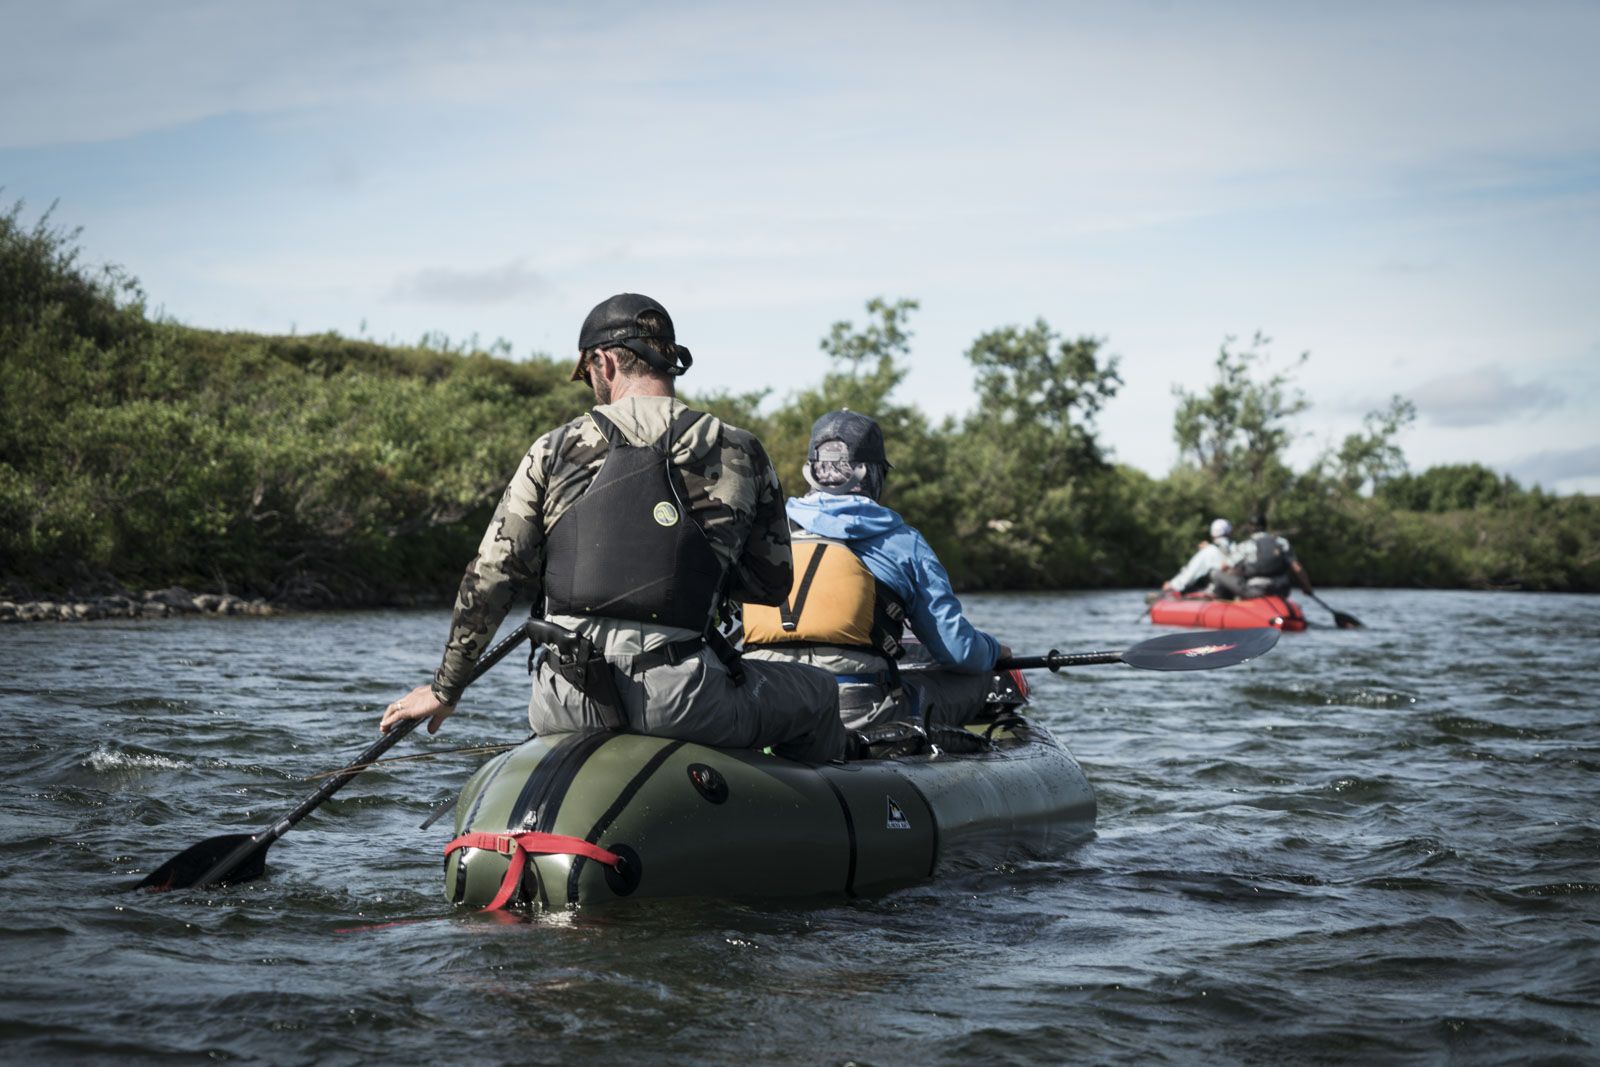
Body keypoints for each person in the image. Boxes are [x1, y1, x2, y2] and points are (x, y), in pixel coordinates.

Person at [380, 293, 846, 763]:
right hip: (685, 701)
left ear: (602, 363)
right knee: (820, 692)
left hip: (565, 701)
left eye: (587, 374)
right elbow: (771, 585)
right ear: (669, 360)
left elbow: (491, 575)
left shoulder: (553, 449)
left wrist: (445, 689)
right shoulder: (740, 451)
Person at [741, 410, 1010, 731]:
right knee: (985, 677)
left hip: (764, 704)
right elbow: (958, 652)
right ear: (873, 474)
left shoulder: (763, 531)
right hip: (855, 713)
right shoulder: (904, 542)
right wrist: (994, 650)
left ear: (812, 470)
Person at [1210, 514, 1318, 601]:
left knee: (1217, 573)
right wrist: (1307, 588)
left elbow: (1224, 567)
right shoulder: (1282, 543)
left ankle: (1223, 602)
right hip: (1282, 591)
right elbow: (1297, 568)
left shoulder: (1246, 545)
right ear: (1265, 526)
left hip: (1256, 592)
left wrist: (1234, 573)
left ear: (1250, 528)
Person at [1161, 518, 1234, 596]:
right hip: (1235, 593)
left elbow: (1190, 573)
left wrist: (1172, 585)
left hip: (1217, 594)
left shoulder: (1208, 551)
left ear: (1212, 534)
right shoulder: (1236, 548)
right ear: (1229, 533)